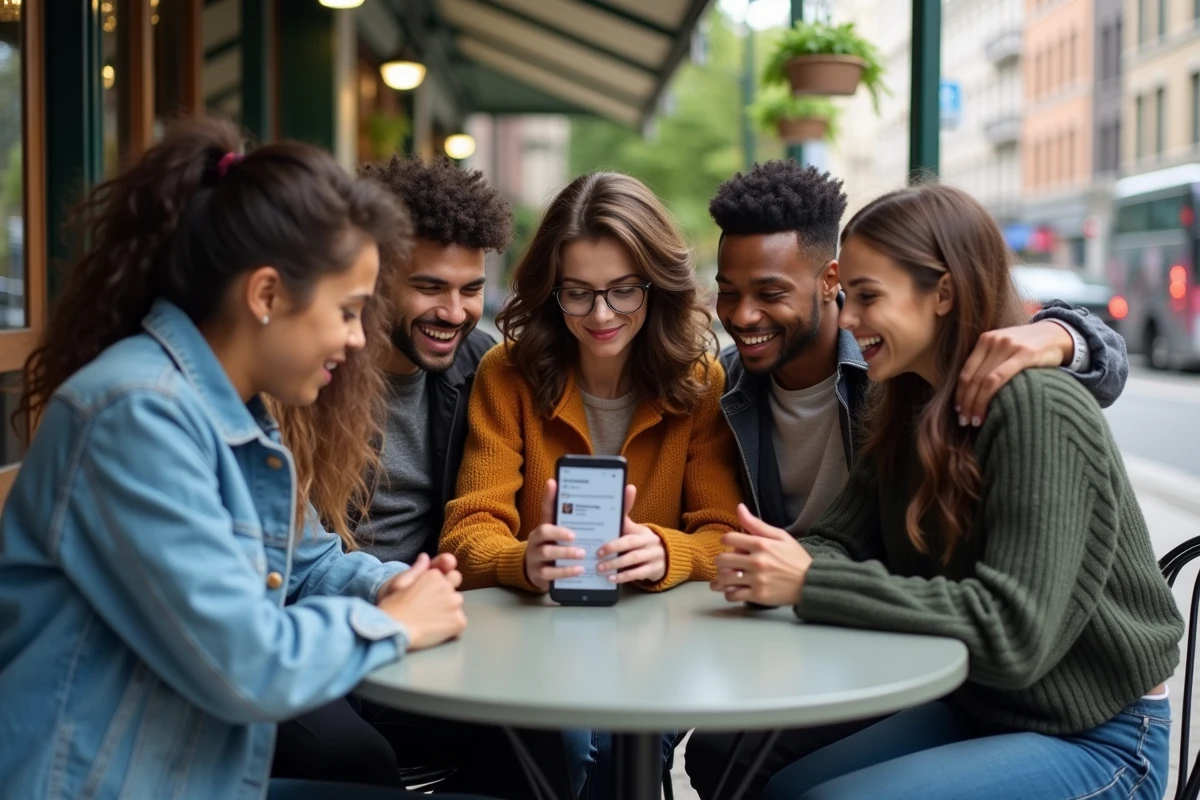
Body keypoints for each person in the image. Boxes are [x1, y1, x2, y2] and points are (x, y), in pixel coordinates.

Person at [0, 117, 482, 800]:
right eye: (348, 311)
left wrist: (386, 585)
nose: (356, 340)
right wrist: (391, 626)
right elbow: (244, 663)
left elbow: (306, 560)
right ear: (265, 295)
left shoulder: (230, 409)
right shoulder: (136, 413)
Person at [707, 181, 1182, 800]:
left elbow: (1012, 637)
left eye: (867, 298)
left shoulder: (1038, 406)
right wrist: (790, 562)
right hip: (981, 704)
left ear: (944, 294)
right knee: (773, 783)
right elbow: (834, 538)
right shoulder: (905, 400)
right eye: (848, 297)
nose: (846, 319)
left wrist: (810, 582)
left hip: (1100, 735)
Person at [271, 155, 576, 798]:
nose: (456, 311)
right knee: (354, 760)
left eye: (470, 289)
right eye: (431, 286)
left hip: (433, 628)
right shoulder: (303, 372)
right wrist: (408, 592)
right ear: (375, 279)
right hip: (313, 629)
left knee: (544, 743)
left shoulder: (483, 366)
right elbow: (300, 562)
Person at [440, 171, 742, 797]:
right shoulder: (508, 375)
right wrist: (522, 559)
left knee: (622, 745)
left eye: (623, 292)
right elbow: (466, 534)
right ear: (551, 293)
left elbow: (723, 534)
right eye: (576, 294)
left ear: (656, 286)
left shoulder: (700, 381)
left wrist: (668, 552)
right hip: (537, 645)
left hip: (658, 648)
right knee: (578, 747)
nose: (601, 316)